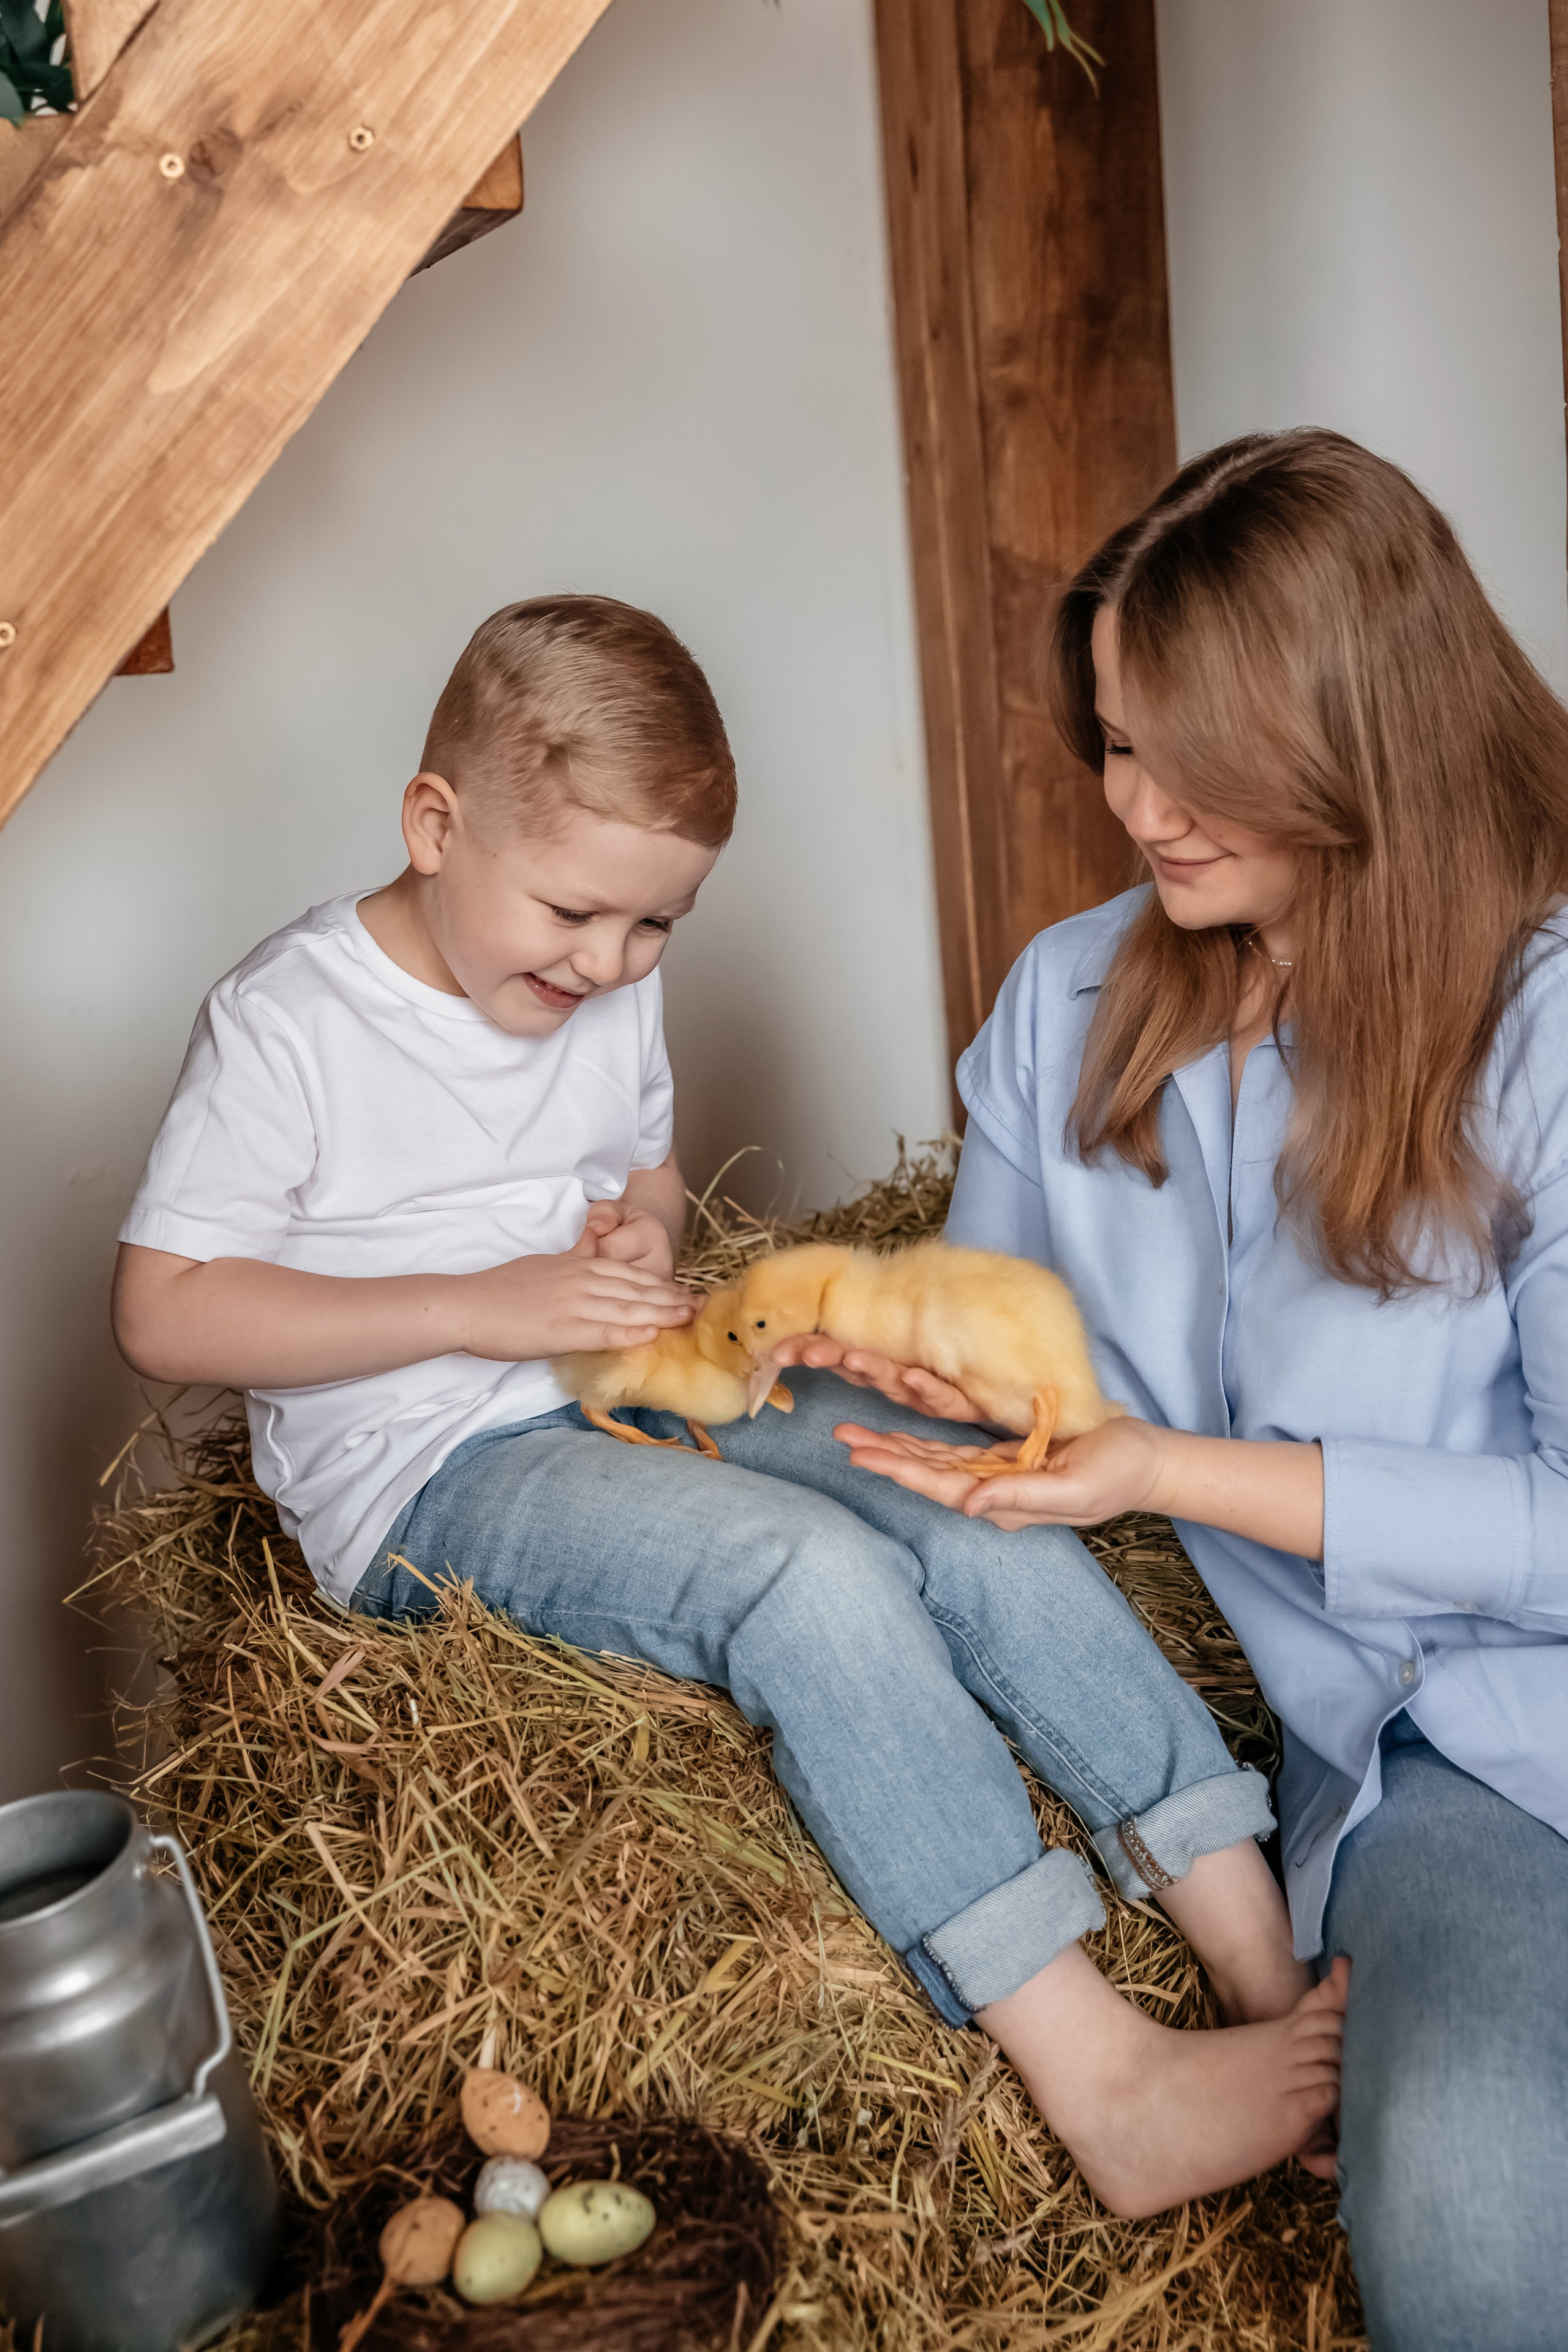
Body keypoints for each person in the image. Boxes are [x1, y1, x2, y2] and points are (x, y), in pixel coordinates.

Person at [111, 592, 1344, 2223]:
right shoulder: (293, 1021)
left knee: (950, 1482)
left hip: (632, 1380)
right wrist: (483, 1307)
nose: (609, 965)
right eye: (574, 915)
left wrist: (644, 1242)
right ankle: (1102, 2075)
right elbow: (163, 1310)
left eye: (654, 931)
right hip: (430, 1477)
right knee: (803, 1579)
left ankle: (1262, 1955)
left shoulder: (600, 983)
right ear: (434, 824)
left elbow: (651, 1183)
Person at [819, 430, 1568, 2352]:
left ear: (1359, 733)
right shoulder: (1072, 1001)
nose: (1138, 806)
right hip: (1440, 1773)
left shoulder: (1546, 1022)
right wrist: (891, 1353)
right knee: (1477, 2242)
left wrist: (1181, 1468)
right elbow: (990, 1362)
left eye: (1188, 754)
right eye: (1115, 743)